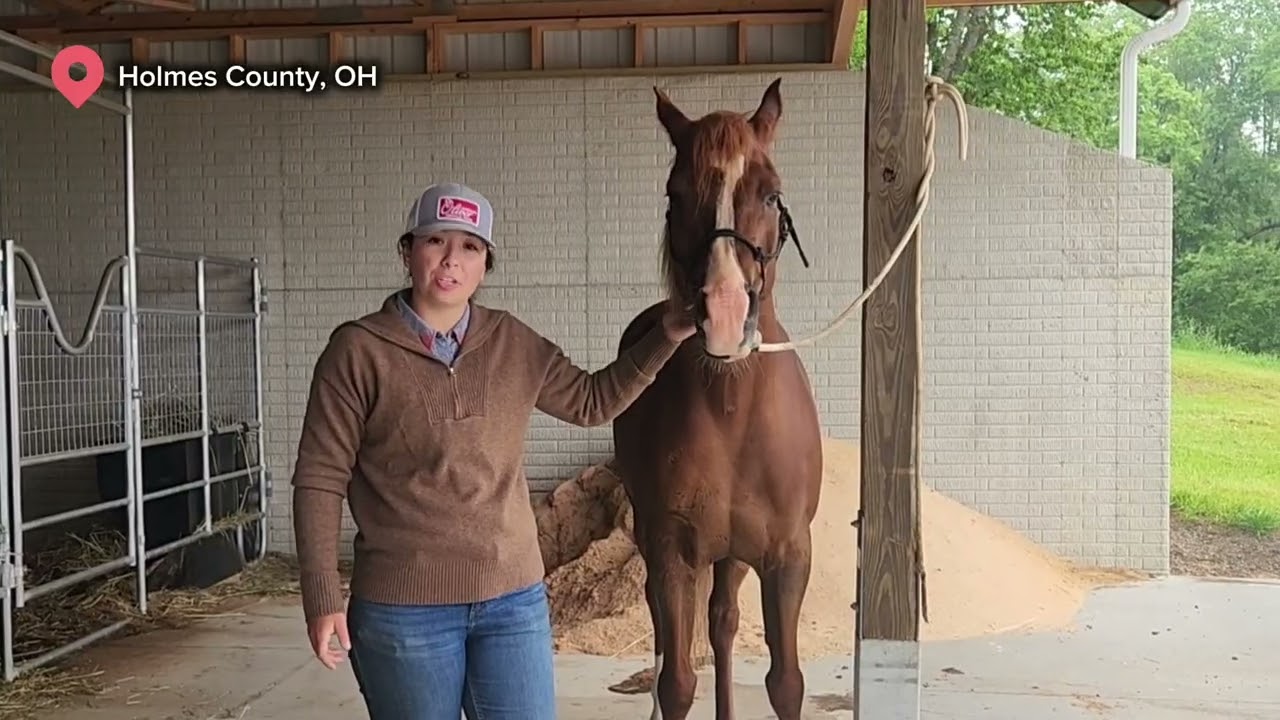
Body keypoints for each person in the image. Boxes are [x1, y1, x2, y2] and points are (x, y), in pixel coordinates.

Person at [290, 181, 695, 720]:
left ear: (485, 265)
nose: (451, 260)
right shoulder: (358, 351)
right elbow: (320, 476)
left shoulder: (514, 343)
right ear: (408, 251)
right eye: (435, 241)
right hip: (403, 610)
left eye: (470, 247)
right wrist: (321, 596)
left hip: (513, 602)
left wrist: (667, 332)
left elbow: (592, 400)